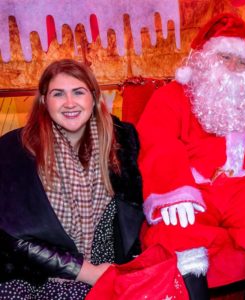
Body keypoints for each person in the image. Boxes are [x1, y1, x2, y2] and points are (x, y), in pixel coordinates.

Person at [137, 13, 245, 299]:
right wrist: (175, 190)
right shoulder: (173, 95)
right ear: (206, 59)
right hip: (195, 188)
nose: (234, 67)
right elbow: (157, 141)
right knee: (178, 229)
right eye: (225, 57)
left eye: (243, 62)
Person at [0, 59, 144, 299]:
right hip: (33, 278)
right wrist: (84, 271)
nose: (69, 103)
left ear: (94, 98)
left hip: (108, 274)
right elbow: (9, 235)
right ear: (45, 101)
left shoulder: (121, 144)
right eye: (58, 94)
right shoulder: (14, 149)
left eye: (78, 92)